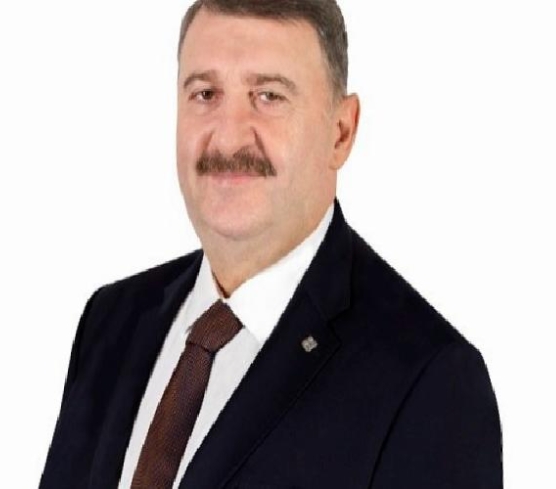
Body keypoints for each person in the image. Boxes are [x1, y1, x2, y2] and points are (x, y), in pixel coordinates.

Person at [40, 1, 502, 488]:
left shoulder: (428, 381)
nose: (228, 137)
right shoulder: (112, 321)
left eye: (268, 96)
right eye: (205, 94)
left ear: (341, 132)